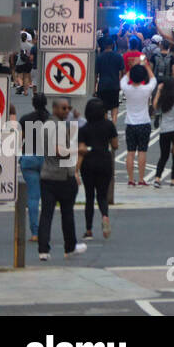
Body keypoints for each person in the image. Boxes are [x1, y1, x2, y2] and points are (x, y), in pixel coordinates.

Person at [38, 98, 87, 260]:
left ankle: (43, 250)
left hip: (47, 175)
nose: (67, 111)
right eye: (64, 108)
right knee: (67, 213)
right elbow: (59, 151)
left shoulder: (47, 125)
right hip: (62, 177)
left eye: (69, 108)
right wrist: (77, 150)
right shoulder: (57, 127)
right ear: (55, 109)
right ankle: (70, 247)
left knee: (46, 214)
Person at [77, 97, 117, 241]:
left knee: (89, 196)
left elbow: (81, 149)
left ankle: (89, 230)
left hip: (88, 163)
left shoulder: (84, 129)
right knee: (102, 195)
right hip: (105, 161)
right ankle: (105, 215)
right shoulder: (109, 125)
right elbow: (115, 144)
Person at [19, 93, 50, 241]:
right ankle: (46, 230)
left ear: (33, 104)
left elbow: (21, 139)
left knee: (33, 197)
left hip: (29, 157)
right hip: (46, 158)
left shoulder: (25, 119)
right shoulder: (51, 119)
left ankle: (35, 232)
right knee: (48, 197)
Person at [121, 64, 156, 186]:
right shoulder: (146, 89)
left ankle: (131, 179)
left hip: (130, 123)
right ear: (142, 77)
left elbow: (123, 80)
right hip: (144, 123)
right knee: (142, 152)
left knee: (130, 152)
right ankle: (141, 179)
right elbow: (153, 80)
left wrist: (131, 68)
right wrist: (147, 67)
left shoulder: (127, 88)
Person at [151, 75, 174, 187]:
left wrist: (159, 91)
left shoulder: (163, 99)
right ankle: (173, 180)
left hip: (165, 130)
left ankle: (157, 178)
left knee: (163, 155)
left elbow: (154, 106)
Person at [95, 38, 124, 124]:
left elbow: (96, 74)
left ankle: (105, 128)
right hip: (114, 86)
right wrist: (120, 82)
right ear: (113, 45)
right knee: (114, 108)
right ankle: (113, 128)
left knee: (104, 109)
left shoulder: (99, 57)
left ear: (104, 45)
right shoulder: (118, 56)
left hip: (102, 86)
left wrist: (94, 87)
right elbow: (122, 71)